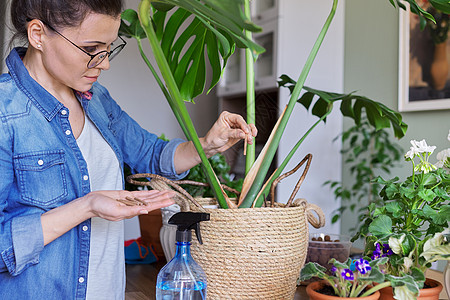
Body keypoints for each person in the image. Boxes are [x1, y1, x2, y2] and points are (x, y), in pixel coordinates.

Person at [0, 0, 257, 299]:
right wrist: (87, 206)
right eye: (91, 48)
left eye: (109, 47)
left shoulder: (96, 99)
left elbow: (151, 154)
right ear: (38, 35)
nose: (104, 63)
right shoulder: (5, 114)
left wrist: (207, 145)